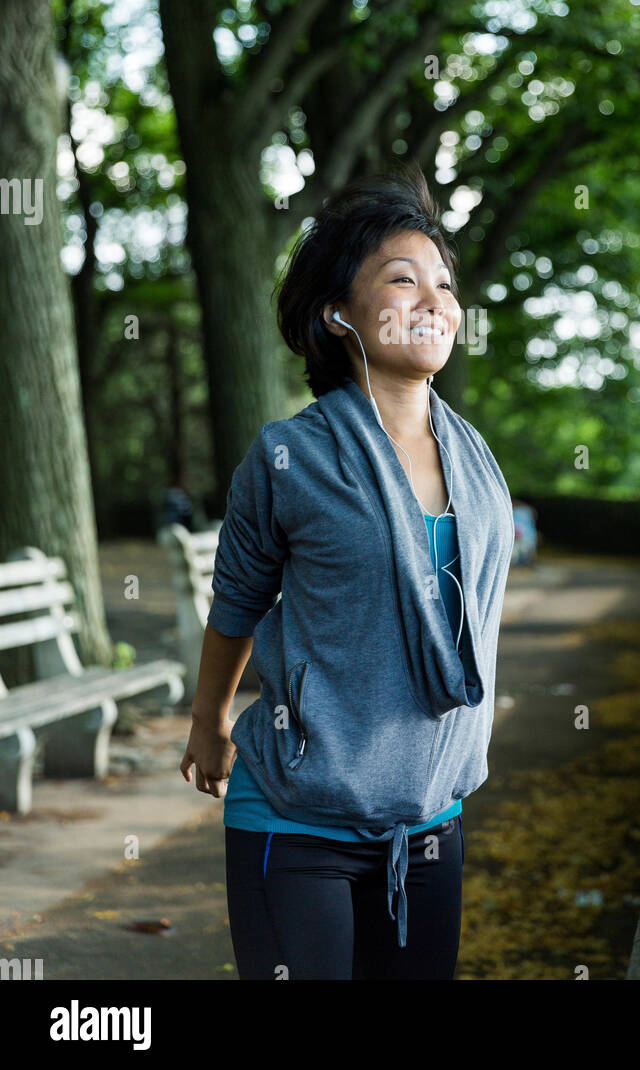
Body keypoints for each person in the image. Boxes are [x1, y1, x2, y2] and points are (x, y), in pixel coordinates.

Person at [180, 163, 515, 980]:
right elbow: (238, 601)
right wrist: (208, 723)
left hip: (430, 820)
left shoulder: (475, 459)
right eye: (403, 279)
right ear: (338, 315)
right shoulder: (293, 456)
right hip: (299, 823)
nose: (435, 298)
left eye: (443, 281)